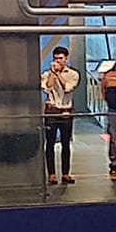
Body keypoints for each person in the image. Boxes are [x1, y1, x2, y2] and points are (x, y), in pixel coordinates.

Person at [40, 46, 79, 186]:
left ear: (66, 59)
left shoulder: (73, 74)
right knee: (50, 143)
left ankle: (66, 173)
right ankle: (51, 174)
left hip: (66, 112)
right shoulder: (46, 74)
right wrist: (52, 73)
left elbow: (67, 88)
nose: (58, 61)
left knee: (65, 143)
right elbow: (47, 88)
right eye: (56, 58)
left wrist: (59, 75)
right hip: (51, 111)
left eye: (61, 58)